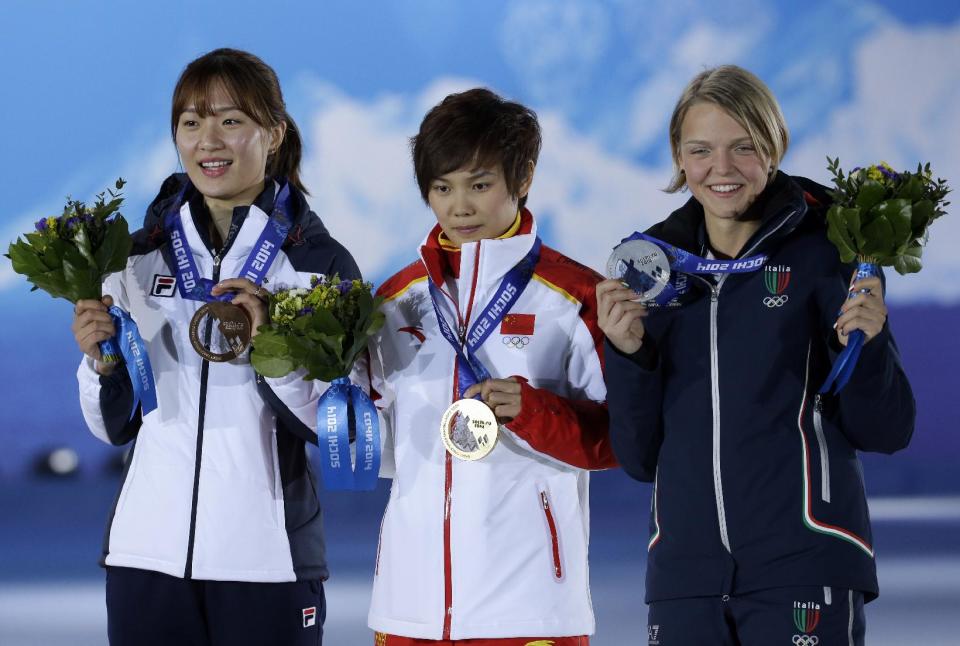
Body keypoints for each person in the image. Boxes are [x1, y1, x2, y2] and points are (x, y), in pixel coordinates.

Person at [597, 65, 916, 645]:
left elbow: (886, 428)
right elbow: (641, 459)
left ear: (774, 147)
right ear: (678, 155)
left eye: (743, 147)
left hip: (805, 564)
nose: (721, 169)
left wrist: (866, 347)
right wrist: (628, 354)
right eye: (701, 150)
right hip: (685, 578)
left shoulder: (829, 249)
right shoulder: (652, 268)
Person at [71, 48, 359, 645]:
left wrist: (272, 348)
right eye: (191, 122)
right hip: (144, 556)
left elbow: (346, 432)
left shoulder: (317, 266)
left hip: (267, 560)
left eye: (231, 120)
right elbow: (114, 427)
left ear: (274, 132)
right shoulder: (134, 257)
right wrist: (102, 364)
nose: (209, 140)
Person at [365, 88, 617, 645]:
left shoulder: (575, 296)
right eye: (442, 187)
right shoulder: (393, 301)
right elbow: (380, 450)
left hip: (530, 609)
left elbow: (622, 441)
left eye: (480, 185)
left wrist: (535, 411)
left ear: (522, 178)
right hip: (408, 610)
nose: (460, 206)